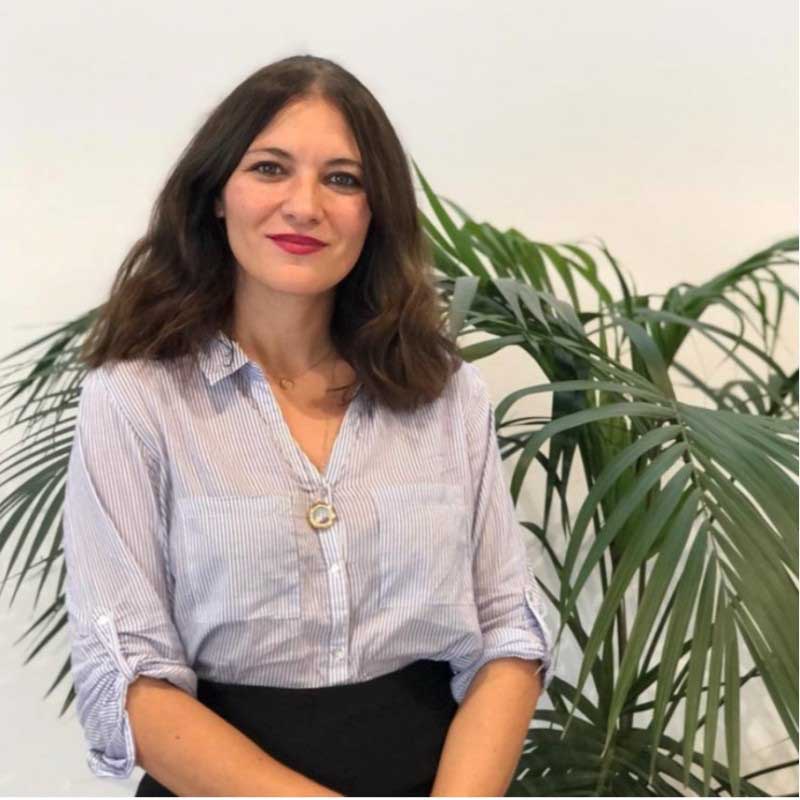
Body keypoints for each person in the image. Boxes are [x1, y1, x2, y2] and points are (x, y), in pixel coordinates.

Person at [62, 54, 553, 797]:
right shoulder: (135, 401)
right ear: (215, 194)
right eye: (269, 169)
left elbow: (507, 632)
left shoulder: (447, 395)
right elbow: (127, 671)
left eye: (343, 179)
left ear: (375, 211)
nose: (304, 206)